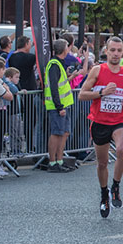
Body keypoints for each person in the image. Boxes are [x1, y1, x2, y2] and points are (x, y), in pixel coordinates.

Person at [78, 37, 123, 218]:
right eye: (112, 50)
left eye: (119, 50)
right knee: (102, 163)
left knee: (121, 149)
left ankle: (116, 185)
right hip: (99, 121)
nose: (115, 54)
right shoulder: (97, 71)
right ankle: (104, 193)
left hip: (120, 120)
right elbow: (82, 94)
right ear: (106, 51)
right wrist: (101, 93)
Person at [44, 39, 73, 173]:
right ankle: (52, 162)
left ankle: (59, 160)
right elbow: (54, 87)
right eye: (67, 47)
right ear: (64, 49)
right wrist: (59, 106)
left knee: (64, 133)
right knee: (56, 133)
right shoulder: (54, 64)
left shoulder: (58, 64)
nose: (68, 49)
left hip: (63, 105)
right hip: (57, 106)